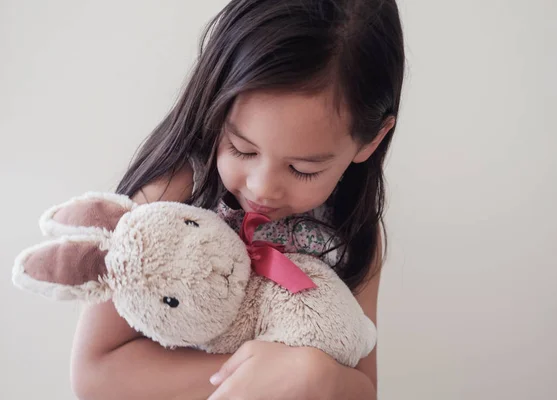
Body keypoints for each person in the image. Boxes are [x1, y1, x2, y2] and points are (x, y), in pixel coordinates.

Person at [70, 0, 405, 399]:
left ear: (371, 140)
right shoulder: (177, 191)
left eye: (303, 169)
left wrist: (318, 375)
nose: (263, 189)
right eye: (241, 149)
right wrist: (265, 374)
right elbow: (95, 375)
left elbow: (364, 387)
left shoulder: (350, 230)